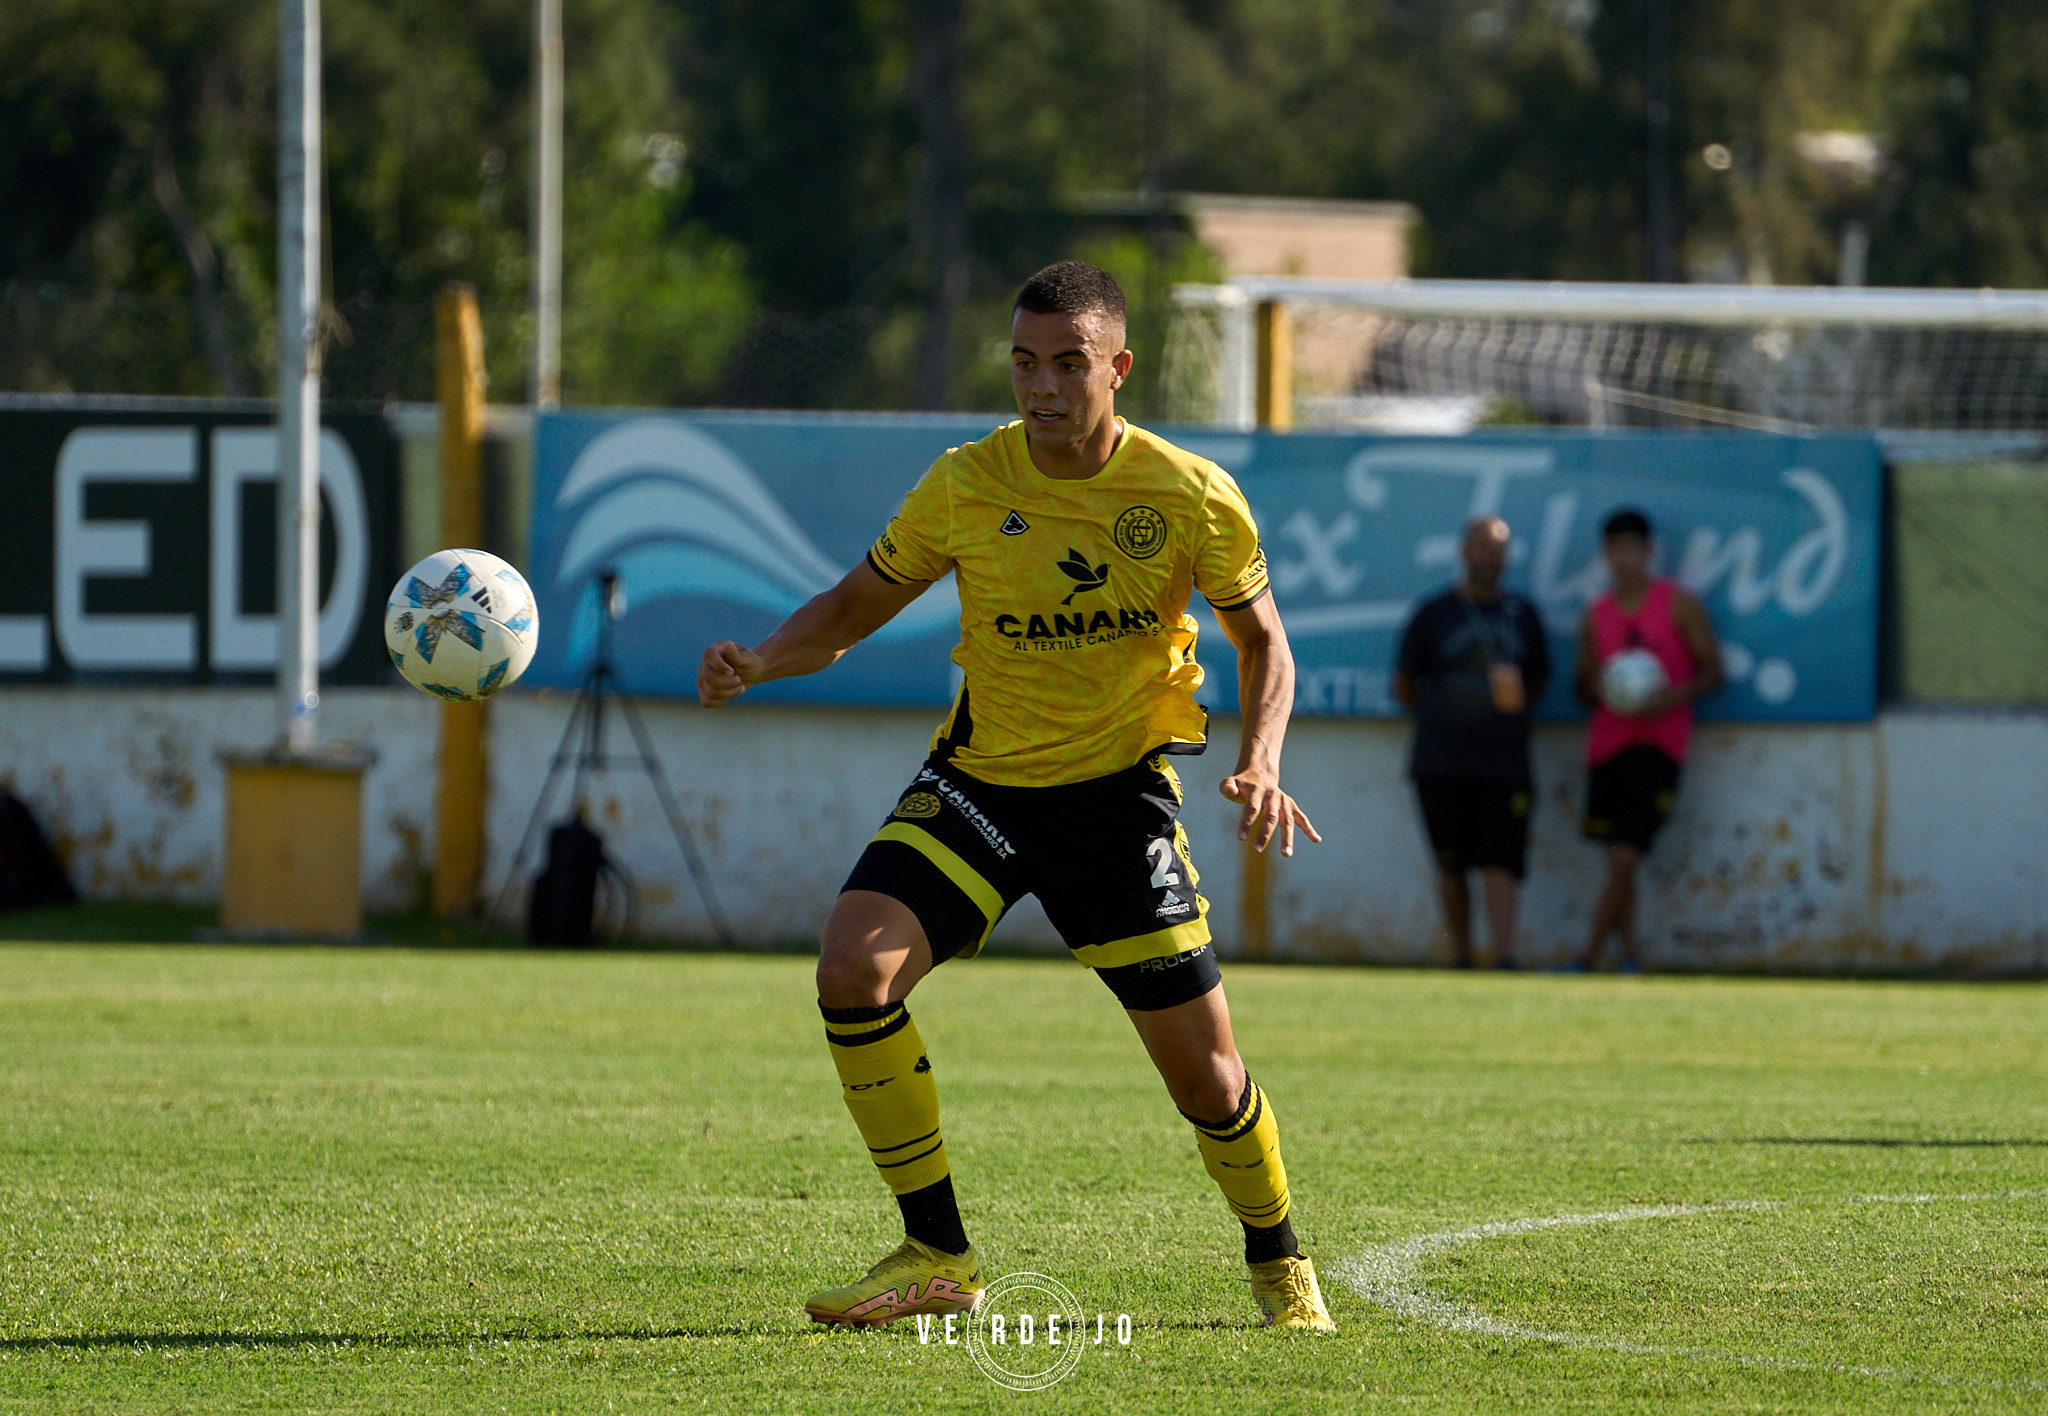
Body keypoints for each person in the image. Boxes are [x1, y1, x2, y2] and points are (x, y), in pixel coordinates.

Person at [696, 261, 1337, 1332]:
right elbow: (855, 604)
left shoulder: (1184, 494)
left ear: (1117, 369)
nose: (1040, 387)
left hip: (1114, 810)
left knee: (1208, 1083)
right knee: (854, 969)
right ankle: (935, 1252)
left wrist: (1263, 759)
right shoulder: (966, 481)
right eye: (1023, 363)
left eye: (1067, 365)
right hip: (980, 790)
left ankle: (1279, 1266)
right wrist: (759, 660)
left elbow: (1263, 642)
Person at [1392, 516, 1551, 969]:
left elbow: (1538, 682)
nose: (1490, 557)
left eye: (1499, 548)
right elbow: (1405, 683)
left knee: (1501, 859)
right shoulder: (1434, 612)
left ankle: (1503, 955)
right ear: (1463, 552)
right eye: (1482, 547)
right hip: (1442, 760)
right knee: (1451, 862)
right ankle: (1461, 954)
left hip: (1505, 761)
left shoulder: (1523, 614)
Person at [1573, 508, 1723, 971]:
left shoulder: (1678, 605)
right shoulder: (1596, 615)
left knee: (1625, 857)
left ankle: (1588, 956)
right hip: (1608, 745)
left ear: (1649, 552)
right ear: (1605, 555)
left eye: (1632, 549)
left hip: (1659, 746)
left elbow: (1714, 672)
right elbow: (1581, 686)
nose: (1624, 559)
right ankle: (1631, 955)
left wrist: (1674, 696)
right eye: (1615, 550)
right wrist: (1603, 689)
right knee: (1620, 859)